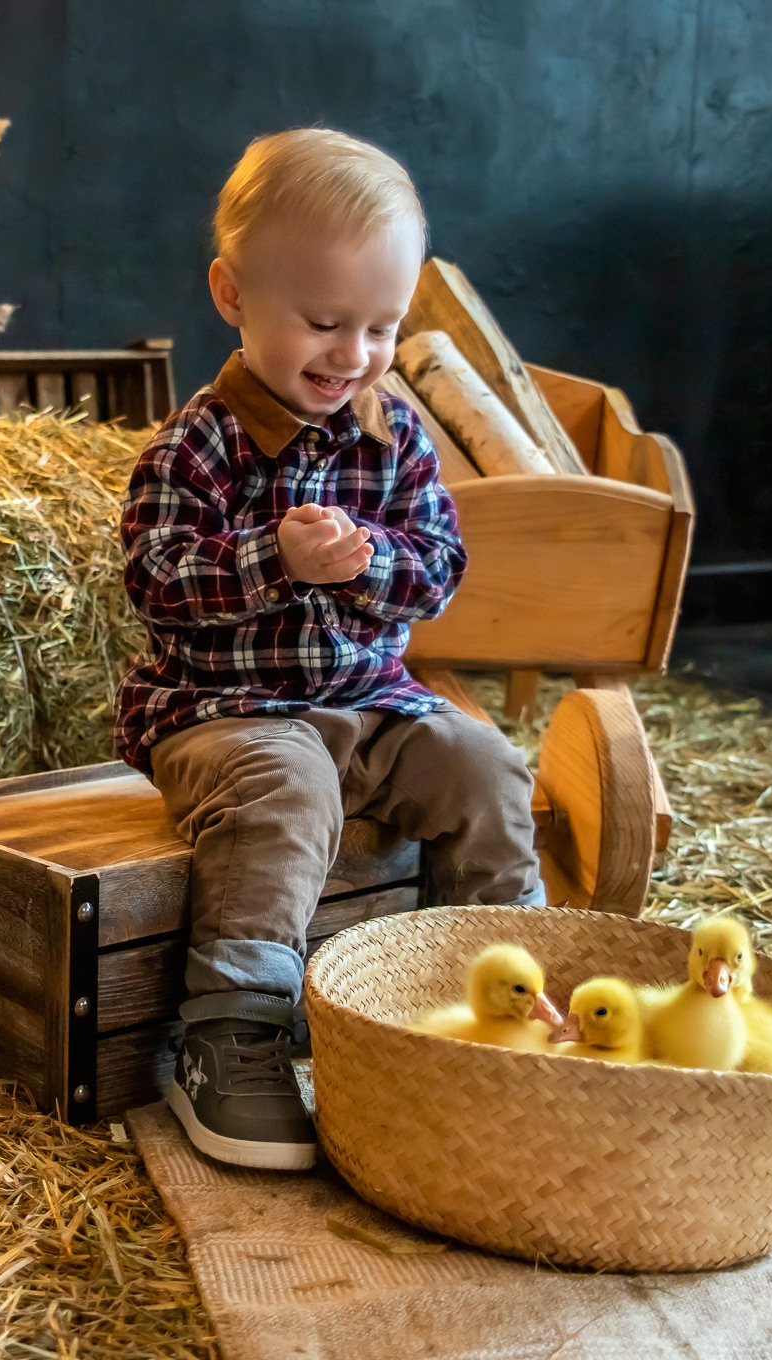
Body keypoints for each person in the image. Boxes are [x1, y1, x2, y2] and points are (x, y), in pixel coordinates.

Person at [118, 128, 543, 1170]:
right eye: (322, 322)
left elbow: (439, 567)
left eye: (380, 326)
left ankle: (499, 988)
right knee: (287, 780)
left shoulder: (394, 433)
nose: (351, 353)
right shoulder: (196, 443)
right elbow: (157, 583)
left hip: (371, 704)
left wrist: (365, 563)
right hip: (222, 716)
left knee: (485, 764)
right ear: (232, 295)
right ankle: (236, 1032)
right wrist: (275, 560)